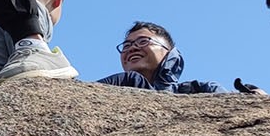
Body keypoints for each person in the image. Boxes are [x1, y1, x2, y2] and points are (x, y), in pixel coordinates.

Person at [94, 21, 222, 94]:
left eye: (143, 41)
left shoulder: (200, 90)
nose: (132, 48)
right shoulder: (116, 90)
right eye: (126, 45)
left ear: (169, 54)